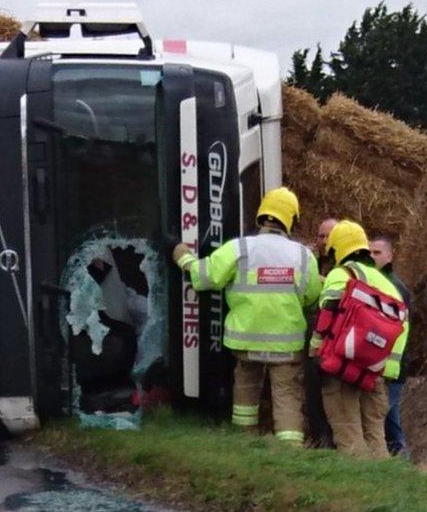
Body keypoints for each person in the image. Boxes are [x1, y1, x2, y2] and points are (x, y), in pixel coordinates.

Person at [173, 187, 321, 444]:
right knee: (286, 396)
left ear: (262, 215)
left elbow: (203, 277)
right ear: (291, 220)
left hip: (245, 341)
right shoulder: (303, 256)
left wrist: (182, 256)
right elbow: (312, 297)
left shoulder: (239, 248)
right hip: (286, 344)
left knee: (245, 394)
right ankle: (290, 451)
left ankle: (243, 444)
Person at [314, 220, 405, 457]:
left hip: (342, 367)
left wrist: (315, 351)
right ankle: (381, 479)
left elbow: (326, 315)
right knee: (376, 435)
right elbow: (399, 331)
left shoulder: (341, 274)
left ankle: (357, 481)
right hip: (375, 371)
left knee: (347, 430)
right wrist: (384, 369)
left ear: (337, 249)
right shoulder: (387, 284)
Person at [370, 235, 411, 456]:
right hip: (381, 365)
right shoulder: (374, 282)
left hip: (392, 368)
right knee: (386, 415)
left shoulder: (395, 287)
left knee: (387, 416)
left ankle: (402, 458)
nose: (372, 257)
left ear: (390, 256)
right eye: (370, 252)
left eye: (377, 253)